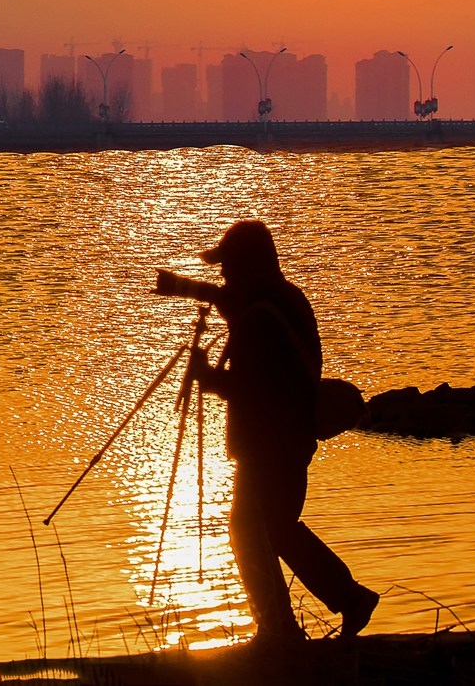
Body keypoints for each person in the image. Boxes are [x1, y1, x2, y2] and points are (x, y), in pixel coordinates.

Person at [160, 219, 379, 645]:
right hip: (289, 439)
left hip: (268, 444)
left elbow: (250, 386)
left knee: (248, 529)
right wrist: (198, 293)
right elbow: (237, 310)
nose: (224, 274)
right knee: (276, 527)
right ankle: (340, 603)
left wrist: (206, 376)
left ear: (250, 264)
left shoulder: (259, 318)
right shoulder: (283, 299)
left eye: (229, 264)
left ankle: (280, 628)